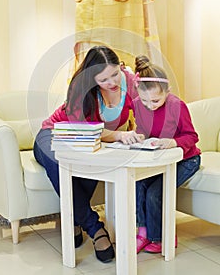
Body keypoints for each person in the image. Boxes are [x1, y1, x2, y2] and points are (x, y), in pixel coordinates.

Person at [33, 46, 144, 263]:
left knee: (91, 165)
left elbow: (147, 107)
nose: (112, 82)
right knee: (62, 163)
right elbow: (86, 130)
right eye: (104, 80)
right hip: (53, 134)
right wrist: (119, 136)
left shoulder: (129, 82)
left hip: (89, 142)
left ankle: (75, 219)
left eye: (115, 74)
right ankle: (95, 229)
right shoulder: (80, 88)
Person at [132, 55, 201, 254]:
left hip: (186, 159)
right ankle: (143, 233)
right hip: (160, 159)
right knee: (139, 184)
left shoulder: (177, 106)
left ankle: (163, 236)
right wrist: (138, 136)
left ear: (167, 92)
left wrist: (173, 142)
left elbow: (192, 136)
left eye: (155, 100)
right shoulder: (138, 104)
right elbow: (144, 129)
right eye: (144, 100)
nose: (149, 105)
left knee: (155, 192)